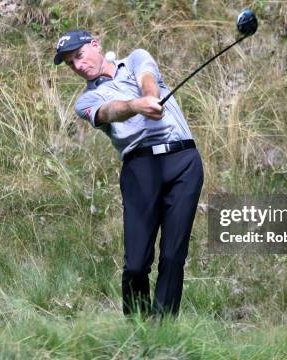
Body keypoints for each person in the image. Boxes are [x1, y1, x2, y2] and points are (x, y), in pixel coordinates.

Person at [54, 29, 204, 319]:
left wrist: (150, 97)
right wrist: (137, 106)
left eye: (79, 56)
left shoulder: (135, 58)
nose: (77, 66)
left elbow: (147, 78)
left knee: (173, 255)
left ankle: (161, 334)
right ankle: (137, 328)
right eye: (71, 63)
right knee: (136, 263)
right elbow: (111, 112)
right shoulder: (85, 102)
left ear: (95, 46)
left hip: (183, 160)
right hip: (140, 168)